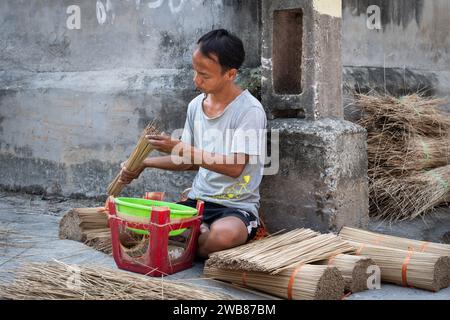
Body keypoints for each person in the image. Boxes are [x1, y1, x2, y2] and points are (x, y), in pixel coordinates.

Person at [119, 29, 267, 258]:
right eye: (195, 71)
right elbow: (187, 162)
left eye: (205, 75)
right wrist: (144, 162)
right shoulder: (195, 106)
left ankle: (186, 239)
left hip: (235, 208)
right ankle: (194, 237)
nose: (196, 80)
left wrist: (179, 147)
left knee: (222, 236)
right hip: (197, 202)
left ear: (230, 74)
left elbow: (235, 168)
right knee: (126, 233)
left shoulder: (249, 111)